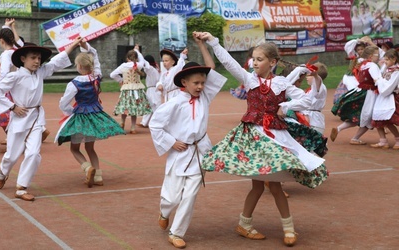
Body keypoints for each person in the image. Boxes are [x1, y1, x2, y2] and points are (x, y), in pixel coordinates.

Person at [198, 31, 328, 247]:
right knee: (264, 187)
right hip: (254, 139)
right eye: (253, 59)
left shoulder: (282, 83)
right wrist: (213, 42)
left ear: (273, 62)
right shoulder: (249, 79)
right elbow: (229, 63)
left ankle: (260, 225)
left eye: (259, 59)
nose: (254, 63)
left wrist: (288, 104)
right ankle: (271, 227)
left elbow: (308, 101)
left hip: (276, 137)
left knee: (270, 186)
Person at [149, 32, 227, 249]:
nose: (201, 86)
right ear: (184, 82)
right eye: (196, 83)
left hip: (199, 151)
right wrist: (171, 142)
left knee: (190, 195)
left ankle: (176, 232)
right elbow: (155, 124)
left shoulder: (205, 96)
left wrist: (201, 45)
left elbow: (210, 69)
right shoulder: (173, 103)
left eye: (203, 82)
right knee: (172, 198)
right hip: (179, 151)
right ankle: (164, 211)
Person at [0, 37, 83, 201]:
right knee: (12, 155)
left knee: (33, 153)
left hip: (37, 118)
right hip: (19, 117)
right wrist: (12, 107)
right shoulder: (14, 76)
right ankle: (2, 174)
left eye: (38, 58)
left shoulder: (40, 72)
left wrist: (73, 45)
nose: (37, 61)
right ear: (23, 58)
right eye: (33, 58)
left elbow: (57, 62)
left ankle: (22, 187)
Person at [55, 38, 125, 188]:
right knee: (90, 147)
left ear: (79, 66)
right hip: (95, 115)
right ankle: (98, 176)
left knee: (74, 148)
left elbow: (63, 102)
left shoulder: (74, 83)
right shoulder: (96, 76)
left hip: (80, 117)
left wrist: (70, 112)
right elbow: (96, 55)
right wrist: (85, 46)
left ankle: (87, 168)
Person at [331, 45, 382, 145]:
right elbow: (377, 81)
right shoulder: (373, 66)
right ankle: (355, 138)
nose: (378, 57)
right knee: (369, 118)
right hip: (369, 95)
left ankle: (339, 129)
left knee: (357, 117)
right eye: (377, 55)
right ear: (371, 56)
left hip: (360, 92)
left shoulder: (363, 64)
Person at [110, 45, 152, 134]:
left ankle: (122, 122)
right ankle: (133, 128)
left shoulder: (123, 66)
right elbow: (142, 60)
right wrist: (137, 50)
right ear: (136, 58)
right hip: (137, 89)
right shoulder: (139, 65)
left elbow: (112, 74)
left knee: (125, 107)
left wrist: (120, 80)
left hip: (126, 89)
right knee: (134, 108)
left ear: (127, 58)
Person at [0, 18, 23, 146]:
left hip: (6, 88)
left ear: (1, 41)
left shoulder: (6, 54)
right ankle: (13, 139)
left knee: (4, 116)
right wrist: (7, 26)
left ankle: (13, 140)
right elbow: (18, 42)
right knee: (9, 116)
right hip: (16, 88)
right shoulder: (16, 51)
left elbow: (3, 73)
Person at [370, 48, 399, 149]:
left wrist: (378, 81)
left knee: (389, 120)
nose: (385, 62)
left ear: (394, 59)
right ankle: (383, 141)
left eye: (387, 59)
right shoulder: (386, 68)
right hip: (382, 97)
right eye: (385, 59)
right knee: (378, 118)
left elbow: (388, 88)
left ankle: (398, 139)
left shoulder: (396, 72)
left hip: (391, 97)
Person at [138, 54, 161, 128]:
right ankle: (145, 122)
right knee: (150, 106)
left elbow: (144, 63)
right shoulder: (155, 68)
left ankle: (157, 122)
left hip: (153, 89)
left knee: (155, 106)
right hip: (152, 89)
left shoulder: (151, 69)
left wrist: (137, 51)